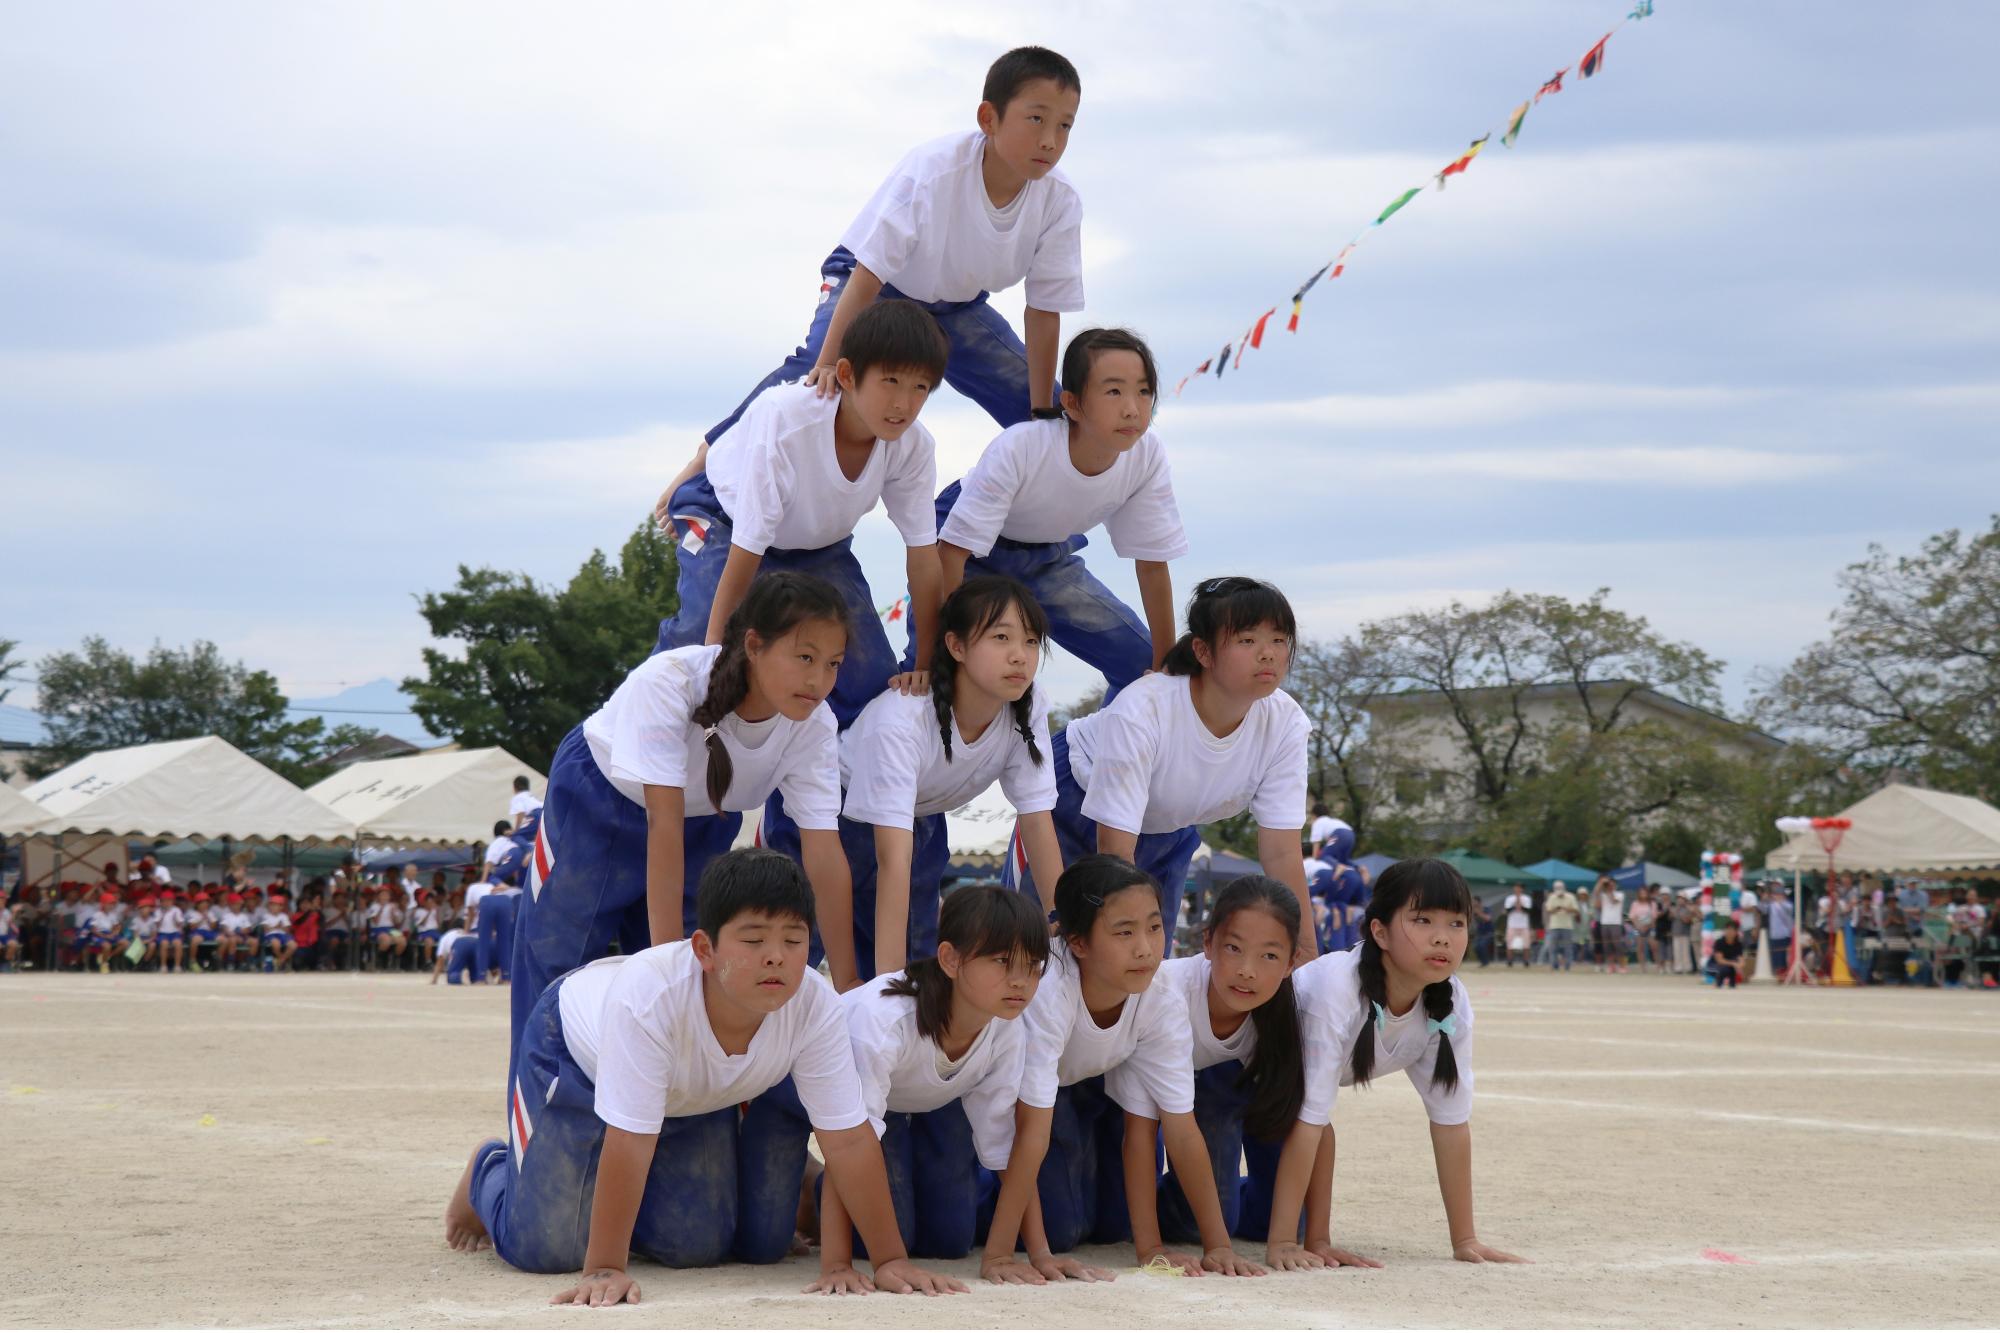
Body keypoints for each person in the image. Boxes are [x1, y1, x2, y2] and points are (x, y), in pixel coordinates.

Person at [444, 849, 964, 1303]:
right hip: (576, 1050)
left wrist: (890, 1259)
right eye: (754, 939)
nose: (776, 957)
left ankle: (600, 1198)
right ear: (704, 949)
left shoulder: (813, 1002)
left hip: (688, 1096)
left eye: (793, 939)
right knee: (547, 1247)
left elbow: (848, 1139)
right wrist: (605, 1267)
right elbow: (629, 1141)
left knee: (696, 1244)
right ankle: (489, 1171)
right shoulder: (652, 997)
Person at [655, 46, 1085, 538]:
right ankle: (704, 469)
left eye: (1065, 126)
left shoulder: (1060, 200)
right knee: (816, 380)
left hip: (957, 309)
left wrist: (1037, 414)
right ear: (989, 117)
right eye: (1036, 119)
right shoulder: (936, 170)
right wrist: (826, 363)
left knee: (1056, 421)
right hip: (873, 283)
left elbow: (1044, 310)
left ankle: (1026, 531)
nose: (1050, 140)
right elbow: (869, 273)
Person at [512, 573, 853, 1069]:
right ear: (754, 645)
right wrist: (666, 971)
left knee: (709, 982)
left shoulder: (816, 724)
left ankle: (672, 1136)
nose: (819, 679)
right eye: (805, 657)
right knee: (557, 963)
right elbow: (662, 825)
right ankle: (529, 1142)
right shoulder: (670, 682)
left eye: (833, 665)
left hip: (705, 823)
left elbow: (825, 856)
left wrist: (848, 982)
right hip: (598, 803)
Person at [650, 300, 949, 729]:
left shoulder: (914, 447)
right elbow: (748, 545)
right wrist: (715, 656)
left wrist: (924, 661)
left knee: (866, 678)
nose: (903, 403)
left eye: (920, 388)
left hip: (817, 547)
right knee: (706, 643)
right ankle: (645, 729)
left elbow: (923, 557)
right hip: (724, 520)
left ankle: (815, 789)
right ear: (847, 375)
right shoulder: (788, 420)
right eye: (890, 381)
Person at [739, 886, 1050, 1280]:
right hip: (798, 1095)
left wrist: (1023, 1253)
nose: (1021, 981)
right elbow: (845, 1137)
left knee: (951, 1239)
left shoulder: (1006, 1028)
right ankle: (806, 1182)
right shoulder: (885, 1022)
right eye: (1003, 962)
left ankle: (898, 1156)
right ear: (950, 959)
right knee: (763, 1243)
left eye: (1033, 965)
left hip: (901, 1105)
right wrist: (837, 1265)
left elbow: (1007, 1147)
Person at [765, 576, 1063, 982]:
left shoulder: (1027, 707)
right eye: (1001, 638)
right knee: (788, 950)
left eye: (1031, 642)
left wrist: (1061, 923)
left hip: (919, 819)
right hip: (828, 815)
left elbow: (1037, 820)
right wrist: (885, 993)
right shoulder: (902, 721)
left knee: (919, 972)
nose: (1020, 656)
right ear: (956, 646)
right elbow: (892, 861)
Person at [983, 856, 1265, 1281]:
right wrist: (1008, 1255)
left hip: (1087, 1088)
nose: (1146, 948)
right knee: (1061, 1229)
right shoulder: (1048, 991)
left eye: (1154, 927)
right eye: (1124, 932)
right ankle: (980, 1185)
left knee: (1115, 1226)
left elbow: (1180, 1127)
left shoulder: (1159, 999)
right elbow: (1028, 1128)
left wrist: (1211, 1246)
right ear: (1078, 943)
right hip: (1007, 1100)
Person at [1004, 576, 1316, 955]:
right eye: (1247, 641)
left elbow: (1282, 852)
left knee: (1149, 966)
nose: (1267, 653)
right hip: (1072, 801)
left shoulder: (1286, 723)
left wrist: (1307, 962)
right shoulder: (1143, 709)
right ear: (1203, 651)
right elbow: (1114, 851)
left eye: (1279, 640)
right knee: (1033, 948)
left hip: (1168, 826)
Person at [1255, 859, 1526, 1269]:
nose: (1442, 939)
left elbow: (1451, 1123)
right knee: (1198, 1215)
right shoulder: (1337, 990)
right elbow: (1311, 1123)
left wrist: (1465, 1239)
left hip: (1284, 1102)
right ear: (1379, 931)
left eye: (1456, 924)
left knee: (1257, 1210)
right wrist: (1282, 1243)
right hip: (1230, 1076)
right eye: (1422, 921)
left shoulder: (1449, 1001)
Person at [930, 327, 1186, 700]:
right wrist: (939, 650)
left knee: (1142, 666)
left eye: (1144, 391)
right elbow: (951, 553)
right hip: (968, 555)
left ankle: (1074, 758)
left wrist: (1166, 663)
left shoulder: (1146, 455)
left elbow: (1151, 562)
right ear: (1073, 404)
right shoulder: (1023, 446)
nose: (1132, 407)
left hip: (1047, 557)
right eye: (1114, 391)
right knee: (936, 675)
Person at [1148, 877, 1307, 1250]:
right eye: (1234, 948)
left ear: (1290, 962)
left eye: (1269, 955)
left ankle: (1232, 1195)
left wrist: (1317, 1234)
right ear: (1208, 942)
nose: (1247, 970)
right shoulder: (1166, 992)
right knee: (1102, 1220)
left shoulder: (1289, 1009)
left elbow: (1313, 1122)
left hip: (1221, 1090)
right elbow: (1142, 1122)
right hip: (1135, 1101)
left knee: (1280, 1221)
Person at [1542, 881, 1580, 972]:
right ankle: (1554, 966)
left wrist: (1567, 909)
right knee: (1553, 947)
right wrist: (1556, 909)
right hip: (1554, 926)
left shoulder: (1571, 897)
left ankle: (1567, 966)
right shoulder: (1551, 897)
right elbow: (1548, 910)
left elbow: (1576, 910)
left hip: (1567, 926)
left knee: (1568, 948)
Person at [368, 884, 408, 970]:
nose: (385, 896)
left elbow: (397, 923)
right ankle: (379, 960)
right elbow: (375, 921)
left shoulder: (392, 906)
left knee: (402, 941)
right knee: (386, 940)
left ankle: (394, 960)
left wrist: (393, 913)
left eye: (387, 894)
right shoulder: (374, 906)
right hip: (378, 929)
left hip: (390, 928)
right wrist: (381, 908)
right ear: (378, 896)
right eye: (382, 894)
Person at [1593, 878, 1627, 974]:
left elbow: (1613, 901)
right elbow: (1597, 902)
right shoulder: (1603, 895)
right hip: (1605, 922)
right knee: (1607, 946)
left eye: (1612, 885)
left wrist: (1609, 891)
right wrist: (1600, 883)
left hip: (1616, 922)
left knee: (1618, 945)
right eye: (1609, 885)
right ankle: (1611, 966)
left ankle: (1622, 965)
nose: (1610, 886)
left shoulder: (1620, 894)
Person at [259, 892, 296, 971]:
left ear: (281, 907)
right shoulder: (266, 915)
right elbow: (266, 929)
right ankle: (282, 961)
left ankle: (279, 961)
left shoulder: (284, 916)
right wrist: (277, 926)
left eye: (276, 905)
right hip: (270, 935)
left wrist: (277, 927)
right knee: (276, 944)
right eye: (271, 905)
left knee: (293, 945)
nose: (273, 907)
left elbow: (287, 929)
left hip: (283, 935)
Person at [1500, 884, 1533, 968]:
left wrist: (1520, 904)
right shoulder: (1510, 898)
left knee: (1526, 944)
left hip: (1524, 925)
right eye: (1516, 888)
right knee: (1509, 943)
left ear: (1522, 889)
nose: (1517, 889)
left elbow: (1528, 910)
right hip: (1512, 924)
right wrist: (1515, 905)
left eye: (1519, 888)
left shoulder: (1526, 898)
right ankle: (1509, 961)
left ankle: (1526, 961)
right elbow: (1507, 910)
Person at [156, 888, 187, 974]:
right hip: (162, 933)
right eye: (164, 901)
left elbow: (180, 924)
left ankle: (177, 966)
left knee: (178, 943)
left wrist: (175, 921)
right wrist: (162, 916)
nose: (166, 903)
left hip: (174, 933)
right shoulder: (158, 911)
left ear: (172, 901)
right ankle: (163, 966)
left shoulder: (176, 910)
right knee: (164, 944)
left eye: (169, 901)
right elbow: (157, 925)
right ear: (161, 902)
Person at [1628, 887, 1659, 974]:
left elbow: (1654, 917)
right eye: (1641, 892)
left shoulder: (1652, 903)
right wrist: (1638, 925)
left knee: (1654, 946)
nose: (1643, 894)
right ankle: (1643, 968)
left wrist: (1647, 925)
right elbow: (1632, 916)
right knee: (1640, 947)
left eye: (1644, 892)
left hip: (1650, 927)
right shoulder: (1635, 903)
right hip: (1637, 928)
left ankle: (1658, 966)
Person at [1707, 919, 1745, 989]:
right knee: (1726, 968)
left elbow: (1741, 960)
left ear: (1736, 932)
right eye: (1727, 930)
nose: (1729, 932)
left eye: (1732, 930)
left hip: (1728, 965)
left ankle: (1732, 983)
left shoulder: (1738, 944)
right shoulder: (1719, 942)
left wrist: (1740, 967)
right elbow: (1720, 960)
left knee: (1731, 967)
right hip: (1713, 966)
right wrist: (1734, 964)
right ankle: (1718, 983)